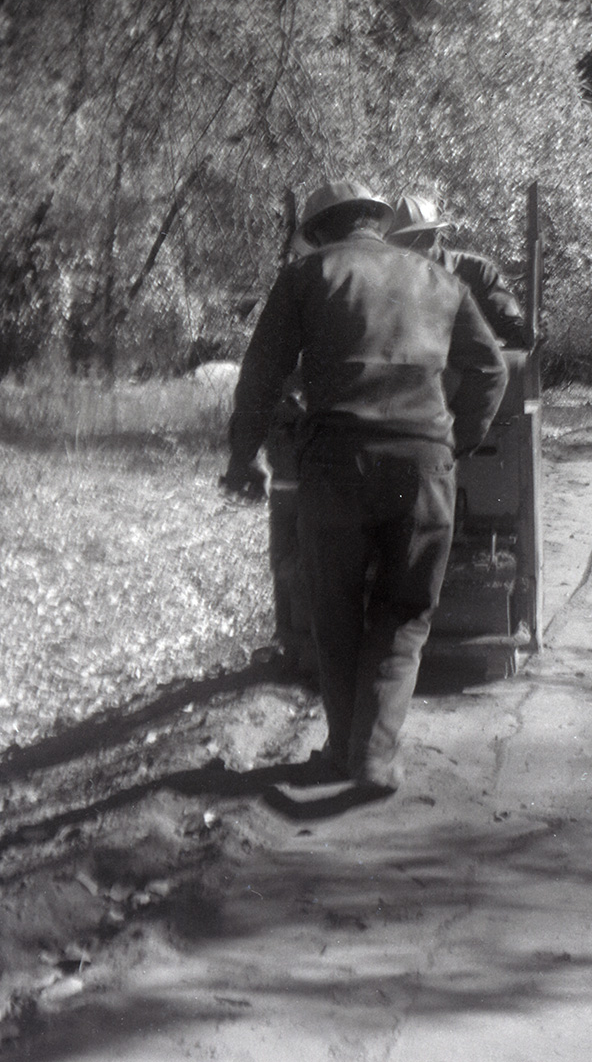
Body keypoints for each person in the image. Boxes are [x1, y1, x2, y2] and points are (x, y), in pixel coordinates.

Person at [222, 180, 508, 794]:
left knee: (335, 609)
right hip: (422, 468)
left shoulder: (306, 276)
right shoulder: (440, 280)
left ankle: (346, 750)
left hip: (336, 469)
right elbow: (491, 368)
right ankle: (371, 754)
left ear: (321, 230)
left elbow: (262, 376)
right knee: (404, 612)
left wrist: (241, 460)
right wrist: (455, 442)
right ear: (375, 223)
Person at [385, 194, 529, 349]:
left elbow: (512, 327)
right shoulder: (386, 279)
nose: (409, 250)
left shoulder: (476, 271)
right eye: (400, 244)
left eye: (415, 240)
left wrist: (528, 331)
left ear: (435, 236)